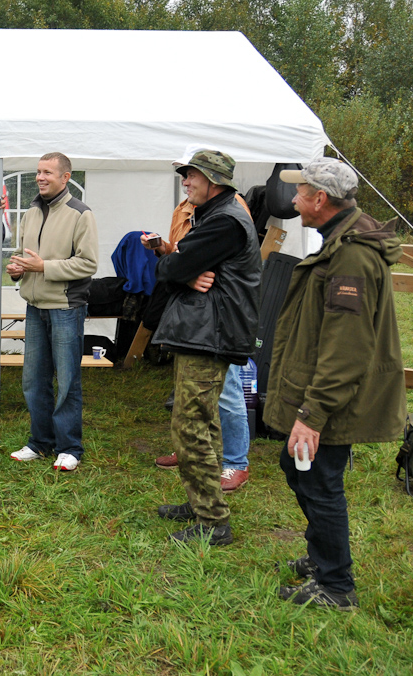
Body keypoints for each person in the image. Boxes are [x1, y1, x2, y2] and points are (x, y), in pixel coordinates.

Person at [266, 158, 405, 610]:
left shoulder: (351, 256)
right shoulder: (339, 242)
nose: (293, 201)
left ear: (320, 200)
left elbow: (346, 347)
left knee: (321, 482)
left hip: (333, 399)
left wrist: (312, 415)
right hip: (322, 393)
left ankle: (336, 586)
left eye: (300, 193)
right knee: (298, 471)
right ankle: (321, 557)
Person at [149, 150, 260, 546]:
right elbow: (181, 266)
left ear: (213, 179)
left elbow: (170, 268)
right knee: (204, 419)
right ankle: (202, 503)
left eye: (191, 175)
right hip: (204, 330)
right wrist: (182, 268)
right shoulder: (215, 215)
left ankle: (213, 522)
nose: (185, 182)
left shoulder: (225, 222)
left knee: (190, 423)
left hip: (212, 332)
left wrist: (178, 268)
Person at [6, 153, 98, 472]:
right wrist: (17, 268)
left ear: (65, 177)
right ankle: (40, 442)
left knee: (68, 380)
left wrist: (43, 267)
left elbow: (88, 264)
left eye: (48, 172)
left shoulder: (80, 213)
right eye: (38, 172)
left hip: (65, 308)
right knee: (34, 380)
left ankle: (70, 447)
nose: (40, 177)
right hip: (35, 306)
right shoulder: (32, 211)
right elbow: (22, 253)